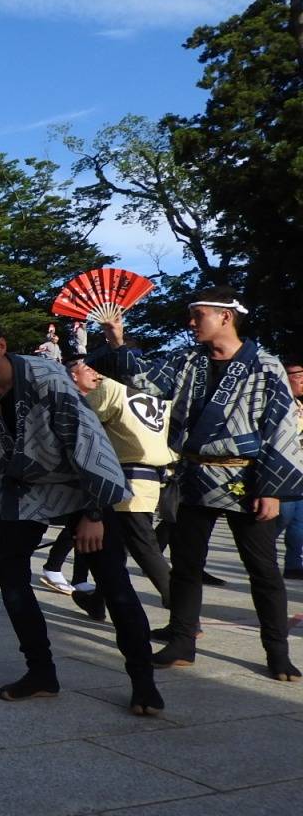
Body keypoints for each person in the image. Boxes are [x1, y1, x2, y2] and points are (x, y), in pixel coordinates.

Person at [0, 309, 162, 715]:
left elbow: (88, 443)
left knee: (113, 583)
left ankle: (143, 681)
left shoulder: (48, 378)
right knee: (10, 578)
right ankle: (41, 672)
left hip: (81, 484)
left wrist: (94, 513)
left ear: (1, 347)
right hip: (23, 491)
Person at [94, 287, 303, 681]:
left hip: (248, 477)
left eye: (198, 315)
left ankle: (277, 652)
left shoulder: (266, 365)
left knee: (263, 569)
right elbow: (145, 383)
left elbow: (281, 430)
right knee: (186, 566)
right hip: (193, 473)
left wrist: (273, 487)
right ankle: (182, 641)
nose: (191, 323)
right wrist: (117, 339)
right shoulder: (187, 359)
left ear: (226, 316)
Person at [66, 358, 175, 619]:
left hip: (124, 479)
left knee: (144, 548)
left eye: (94, 367)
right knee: (113, 548)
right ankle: (97, 599)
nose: (94, 372)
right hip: (151, 478)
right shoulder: (158, 400)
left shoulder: (111, 389)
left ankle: (183, 613)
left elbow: (84, 429)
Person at [279, 355, 303, 579]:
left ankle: (294, 565)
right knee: (282, 518)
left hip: (300, 472)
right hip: (284, 472)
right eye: (299, 377)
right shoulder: (279, 403)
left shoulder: (299, 405)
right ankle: (260, 555)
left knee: (299, 523)